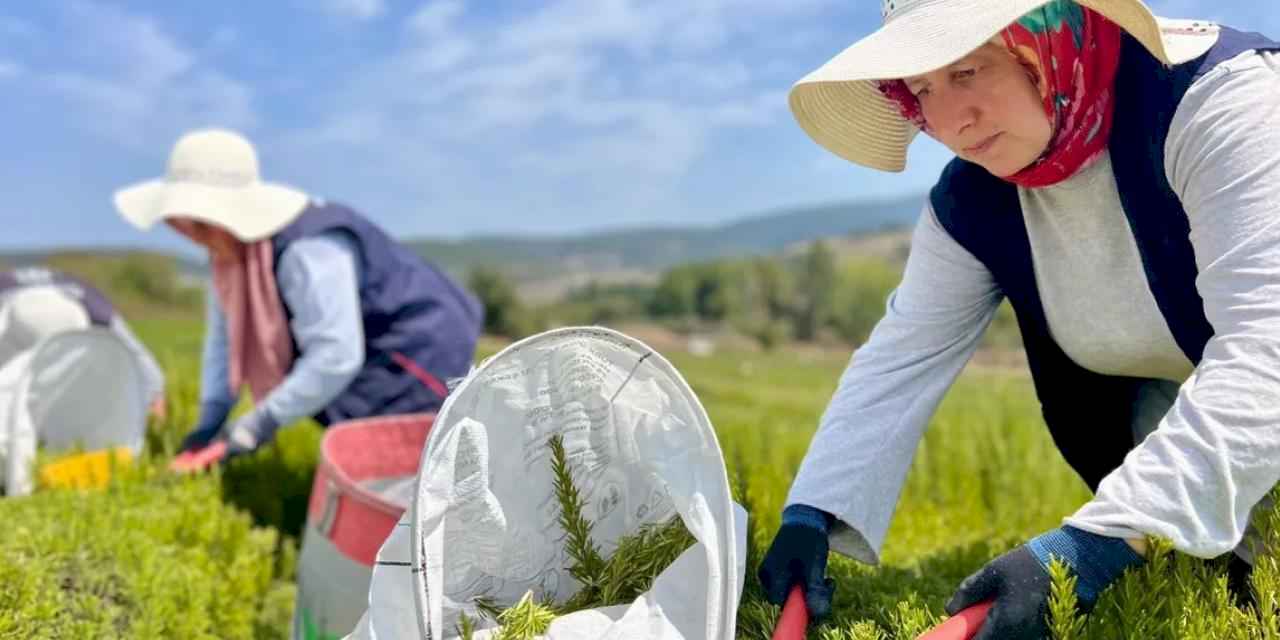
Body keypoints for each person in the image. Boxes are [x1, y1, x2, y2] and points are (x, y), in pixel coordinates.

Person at [756, 0, 1280, 637]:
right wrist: (812, 511)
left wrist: (1093, 543)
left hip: (1255, 404)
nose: (950, 121)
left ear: (1044, 40)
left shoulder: (1217, 103)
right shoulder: (973, 199)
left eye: (969, 71)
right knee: (1223, 595)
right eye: (922, 87)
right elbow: (901, 357)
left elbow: (1267, 349)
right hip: (1199, 437)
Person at [111, 128, 484, 465]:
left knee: (406, 466)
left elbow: (336, 354)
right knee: (370, 461)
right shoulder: (229, 258)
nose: (185, 233)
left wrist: (255, 426)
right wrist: (209, 422)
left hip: (414, 351)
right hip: (366, 355)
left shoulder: (308, 250)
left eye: (195, 223)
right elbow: (222, 342)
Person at [0, 266, 167, 418]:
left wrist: (153, 390)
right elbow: (135, 351)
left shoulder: (88, 299)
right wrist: (153, 394)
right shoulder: (87, 297)